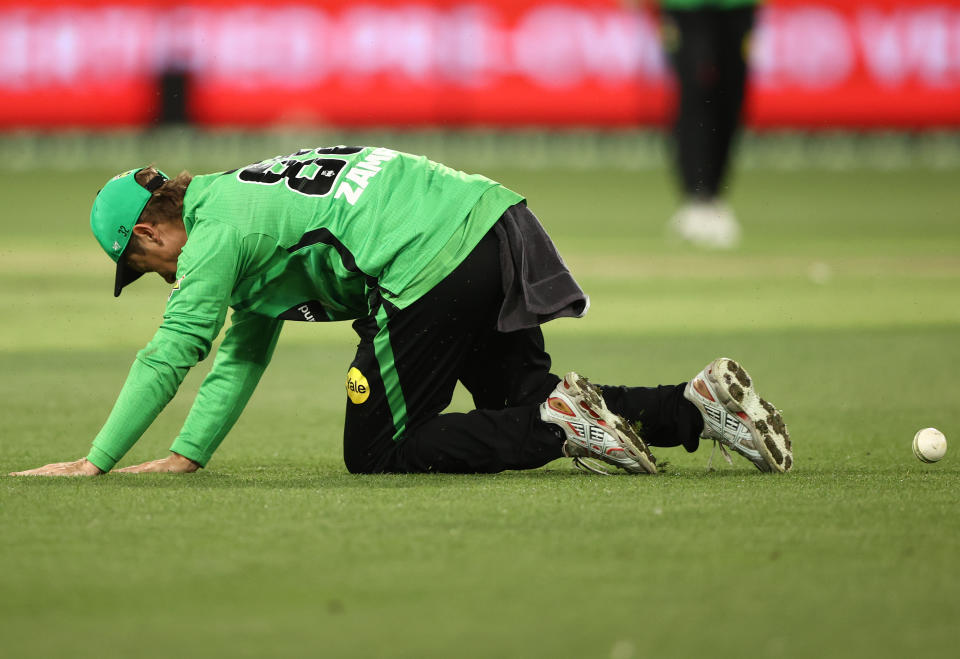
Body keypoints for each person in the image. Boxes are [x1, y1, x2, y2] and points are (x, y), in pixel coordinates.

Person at [9, 146, 792, 478]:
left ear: (146, 231)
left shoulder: (216, 232)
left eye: (140, 267)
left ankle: (560, 425)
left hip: (430, 263)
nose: (157, 277)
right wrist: (187, 452)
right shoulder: (240, 204)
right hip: (494, 222)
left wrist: (96, 459)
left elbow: (176, 348)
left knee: (379, 448)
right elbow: (242, 351)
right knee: (517, 405)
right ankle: (695, 409)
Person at [660, 0, 761, 248]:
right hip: (686, 6)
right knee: (694, 91)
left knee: (731, 95)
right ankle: (695, 195)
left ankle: (715, 196)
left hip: (735, 5)